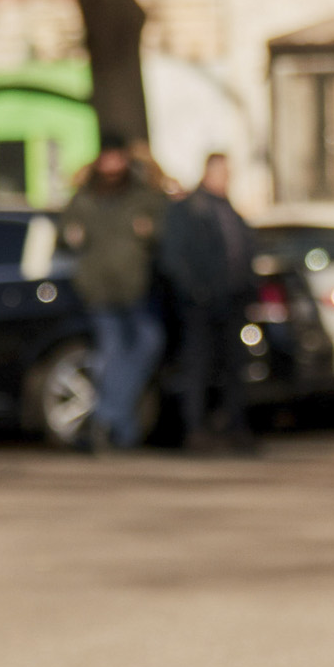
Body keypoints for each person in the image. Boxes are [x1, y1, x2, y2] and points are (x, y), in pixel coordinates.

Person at [60, 137, 169, 452]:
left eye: (117, 158)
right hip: (99, 290)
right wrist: (70, 237)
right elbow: (64, 235)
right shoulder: (85, 198)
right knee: (112, 352)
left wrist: (150, 231)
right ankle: (120, 429)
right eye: (107, 158)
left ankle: (107, 419)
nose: (112, 165)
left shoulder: (142, 195)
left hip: (136, 287)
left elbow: (165, 230)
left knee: (147, 344)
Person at [161, 152, 258, 452]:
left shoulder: (229, 210)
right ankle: (195, 429)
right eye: (222, 173)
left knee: (233, 367)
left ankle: (235, 428)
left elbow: (242, 252)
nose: (226, 179)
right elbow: (173, 258)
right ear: (208, 173)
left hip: (231, 300)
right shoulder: (189, 209)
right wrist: (195, 291)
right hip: (200, 305)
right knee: (198, 366)